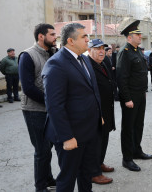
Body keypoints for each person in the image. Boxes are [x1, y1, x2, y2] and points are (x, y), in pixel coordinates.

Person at [42, 23, 102, 192]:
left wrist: (99, 115)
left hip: (88, 130)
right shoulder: (56, 64)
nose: (88, 40)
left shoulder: (83, 58)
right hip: (71, 134)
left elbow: (92, 90)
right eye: (84, 37)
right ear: (70, 40)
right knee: (67, 178)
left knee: (86, 174)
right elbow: (54, 105)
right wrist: (67, 137)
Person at [18, 23, 57, 192]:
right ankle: (40, 187)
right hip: (34, 110)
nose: (55, 37)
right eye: (52, 34)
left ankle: (48, 179)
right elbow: (28, 88)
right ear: (41, 36)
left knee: (48, 148)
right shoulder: (27, 55)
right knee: (41, 150)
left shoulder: (53, 53)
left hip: (50, 109)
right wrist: (51, 101)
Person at [116, 18, 152, 172]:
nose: (140, 36)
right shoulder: (124, 52)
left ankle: (137, 150)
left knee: (138, 125)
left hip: (140, 95)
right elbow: (121, 78)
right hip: (130, 97)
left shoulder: (137, 51)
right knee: (128, 128)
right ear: (129, 37)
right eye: (137, 35)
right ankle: (127, 158)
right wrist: (127, 98)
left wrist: (143, 92)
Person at [87, 39, 115, 185]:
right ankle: (94, 172)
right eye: (97, 48)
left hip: (106, 108)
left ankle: (100, 163)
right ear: (89, 50)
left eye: (103, 48)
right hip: (95, 111)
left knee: (104, 138)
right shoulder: (86, 65)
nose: (101, 51)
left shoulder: (105, 62)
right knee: (95, 141)